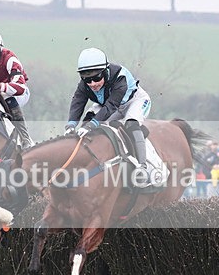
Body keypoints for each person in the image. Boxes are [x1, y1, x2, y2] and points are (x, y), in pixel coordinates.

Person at [65, 47, 153, 186]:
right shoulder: (84, 84)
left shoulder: (120, 77)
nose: (93, 84)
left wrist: (91, 125)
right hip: (108, 104)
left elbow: (111, 106)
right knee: (87, 122)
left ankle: (142, 168)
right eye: (87, 79)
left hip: (134, 101)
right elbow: (78, 102)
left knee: (131, 124)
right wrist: (71, 125)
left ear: (105, 71)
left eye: (97, 78)